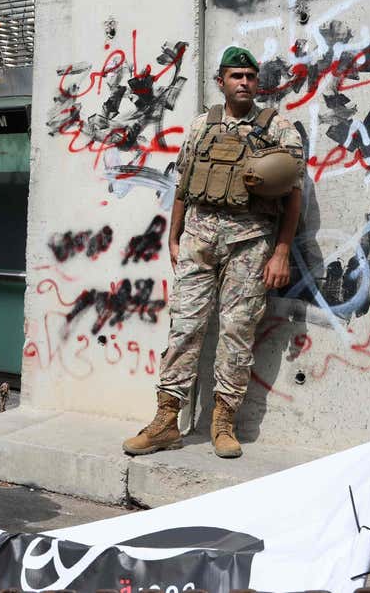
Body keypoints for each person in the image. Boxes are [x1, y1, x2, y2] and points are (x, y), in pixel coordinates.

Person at [122, 46, 305, 460]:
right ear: (220, 81)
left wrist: (281, 252)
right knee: (184, 327)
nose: (244, 83)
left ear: (257, 83)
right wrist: (174, 236)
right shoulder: (201, 126)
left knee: (237, 331)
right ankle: (166, 421)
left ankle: (223, 422)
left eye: (250, 77)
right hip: (198, 242)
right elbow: (184, 184)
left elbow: (294, 196)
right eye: (236, 76)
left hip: (250, 243)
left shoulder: (278, 128)